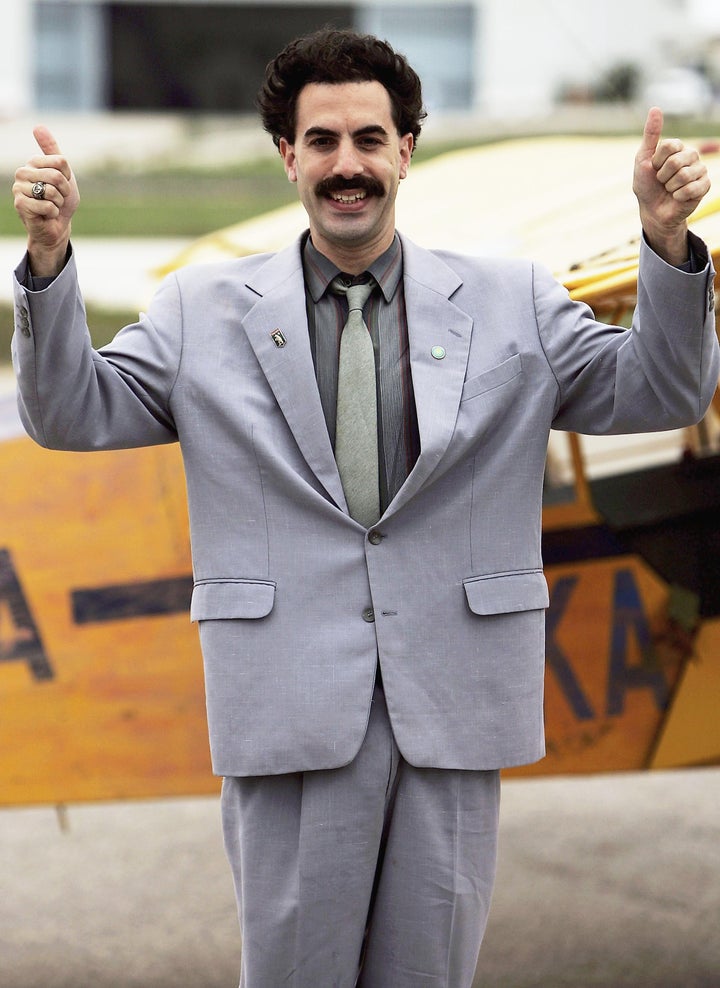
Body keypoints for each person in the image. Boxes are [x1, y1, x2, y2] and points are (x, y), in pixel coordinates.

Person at [11, 27, 719, 988]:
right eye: (324, 141)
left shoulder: (515, 297)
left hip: (453, 703)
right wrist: (49, 264)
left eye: (370, 140)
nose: (349, 165)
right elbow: (67, 412)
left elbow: (661, 394)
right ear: (288, 156)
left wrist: (668, 244)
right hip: (288, 703)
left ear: (406, 150)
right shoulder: (198, 310)